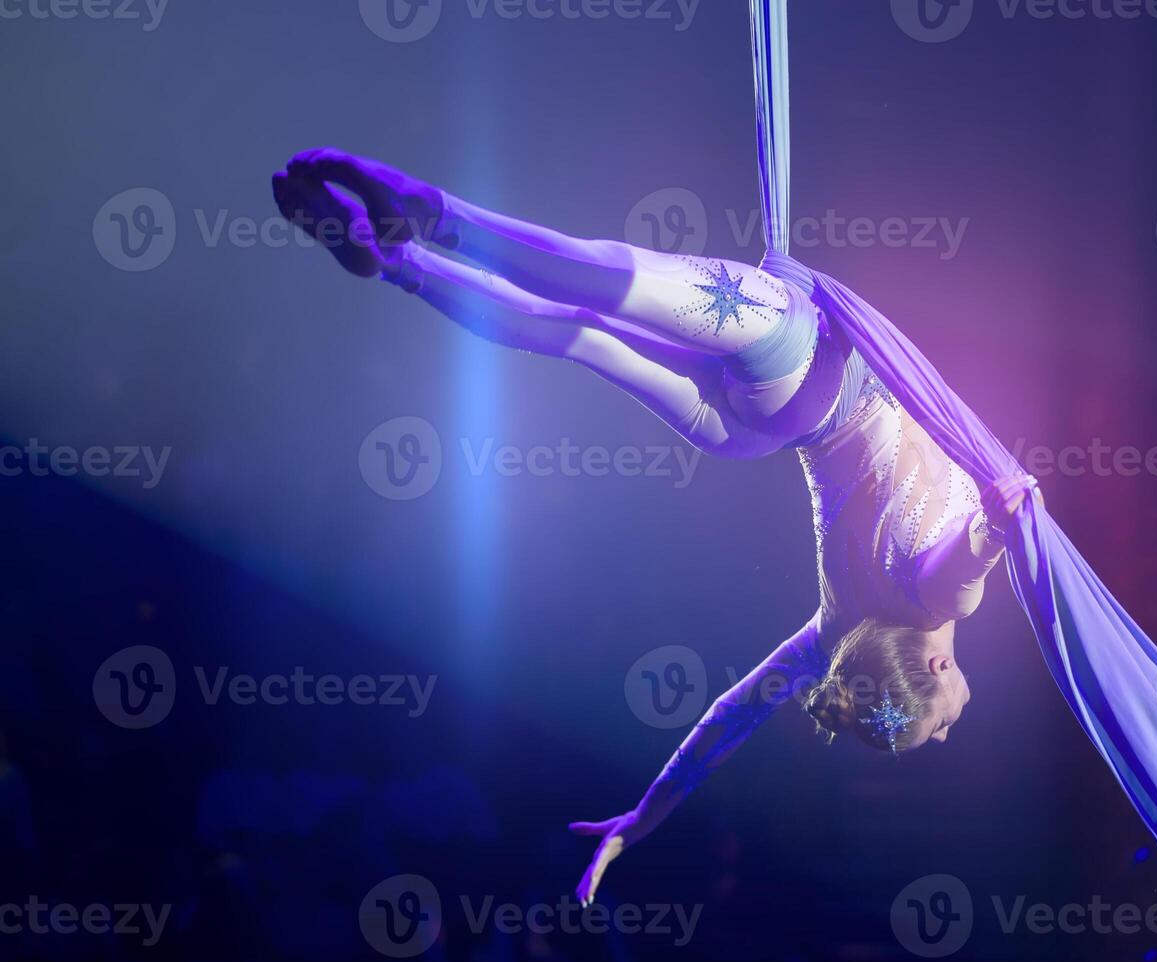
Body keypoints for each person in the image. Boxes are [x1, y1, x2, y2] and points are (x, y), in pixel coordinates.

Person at [273, 149, 1041, 906]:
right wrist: (643, 819)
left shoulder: (945, 603)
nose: (945, 736)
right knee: (571, 333)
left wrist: (1008, 519)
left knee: (605, 278)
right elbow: (726, 721)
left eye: (932, 731)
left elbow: (979, 546)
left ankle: (434, 215)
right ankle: (405, 265)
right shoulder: (832, 632)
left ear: (936, 671)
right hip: (743, 430)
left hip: (809, 365)